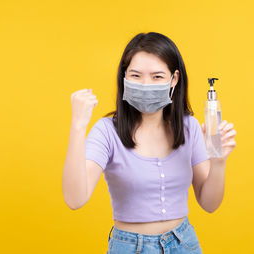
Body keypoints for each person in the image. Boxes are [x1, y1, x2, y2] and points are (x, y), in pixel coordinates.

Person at [62, 32, 237, 253]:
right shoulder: (107, 131)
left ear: (174, 79)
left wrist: (218, 162)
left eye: (157, 77)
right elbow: (75, 199)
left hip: (184, 244)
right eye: (136, 75)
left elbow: (209, 204)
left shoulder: (189, 127)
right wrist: (78, 125)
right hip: (129, 247)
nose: (146, 84)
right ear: (124, 77)